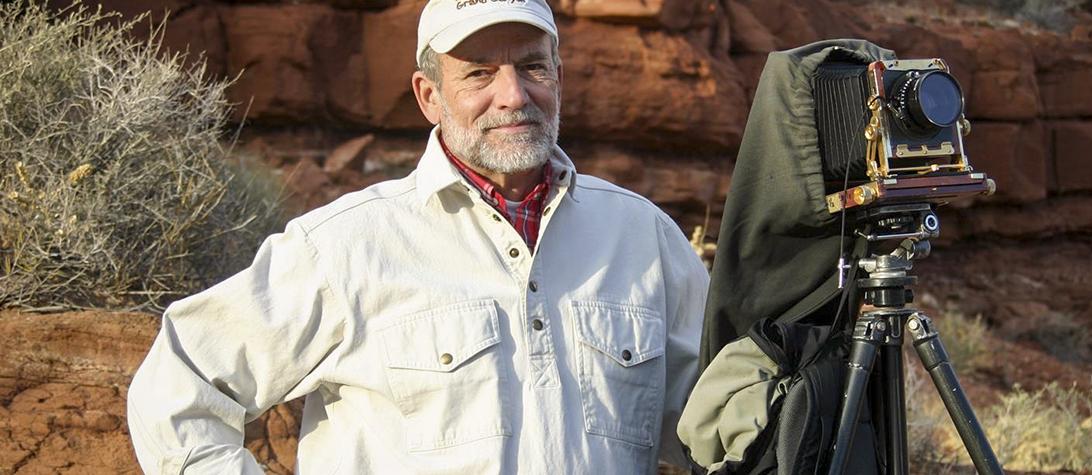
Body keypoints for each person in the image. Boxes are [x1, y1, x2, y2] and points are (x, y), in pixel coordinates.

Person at [125, 0, 708, 473]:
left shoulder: (644, 238)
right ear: (429, 96)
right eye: (479, 72)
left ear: (558, 77)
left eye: (532, 67)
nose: (513, 95)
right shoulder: (347, 245)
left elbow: (715, 427)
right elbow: (181, 383)